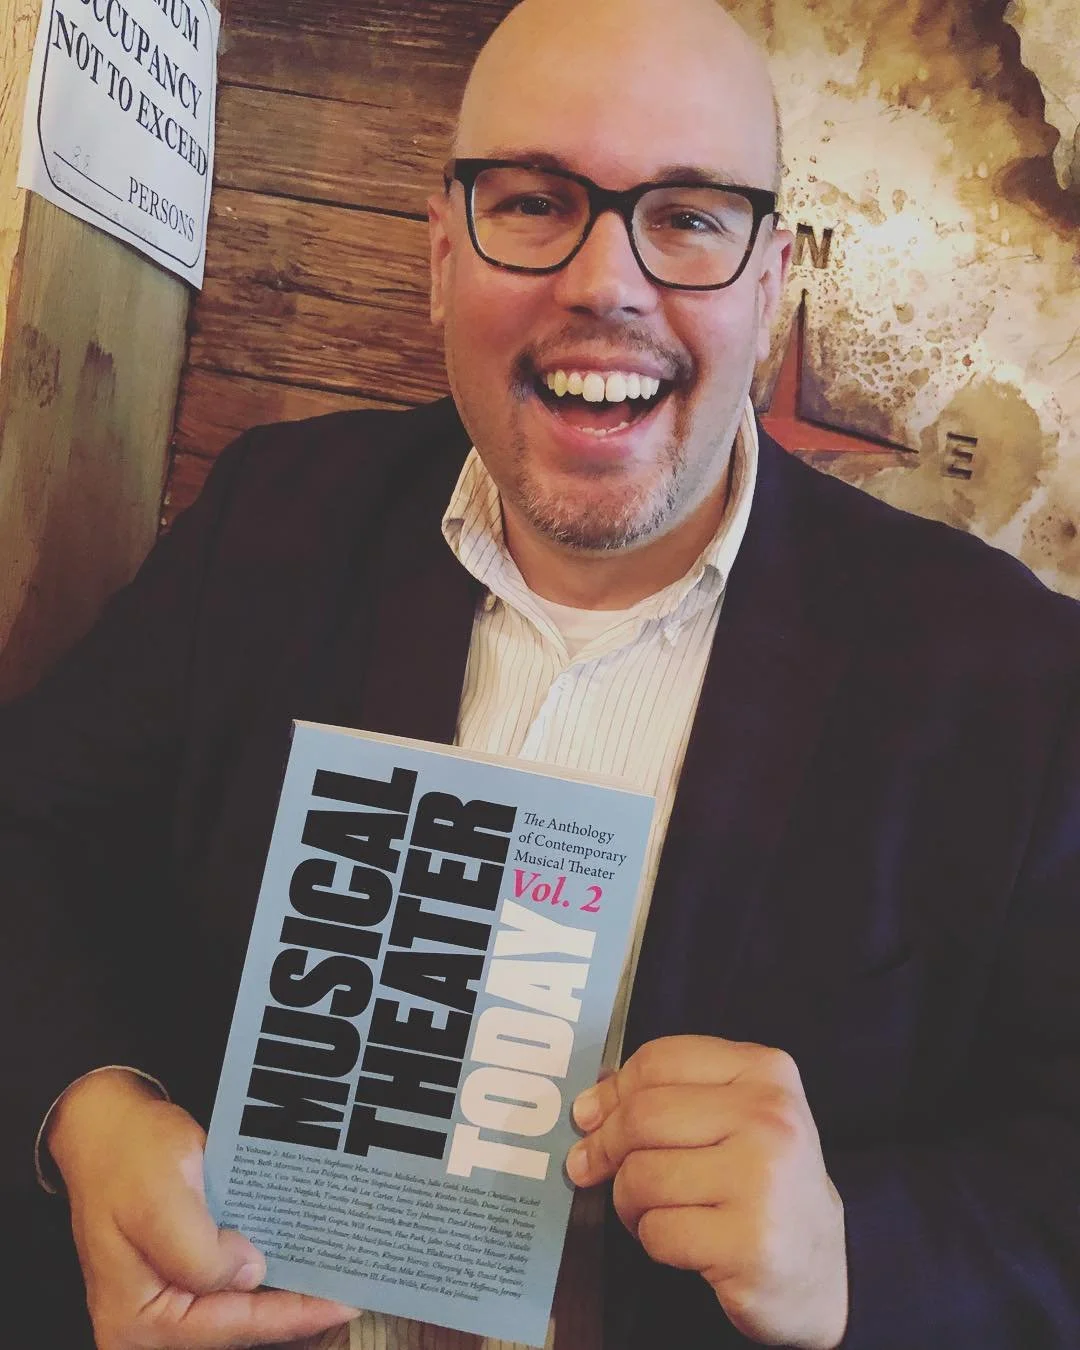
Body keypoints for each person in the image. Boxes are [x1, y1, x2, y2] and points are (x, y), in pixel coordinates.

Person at [2, 0, 1080, 1347]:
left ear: (772, 277)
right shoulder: (272, 524)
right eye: (531, 201)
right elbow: (24, 835)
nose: (605, 282)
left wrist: (854, 1257)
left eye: (686, 215)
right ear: (441, 255)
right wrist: (83, 1109)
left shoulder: (1014, 679)